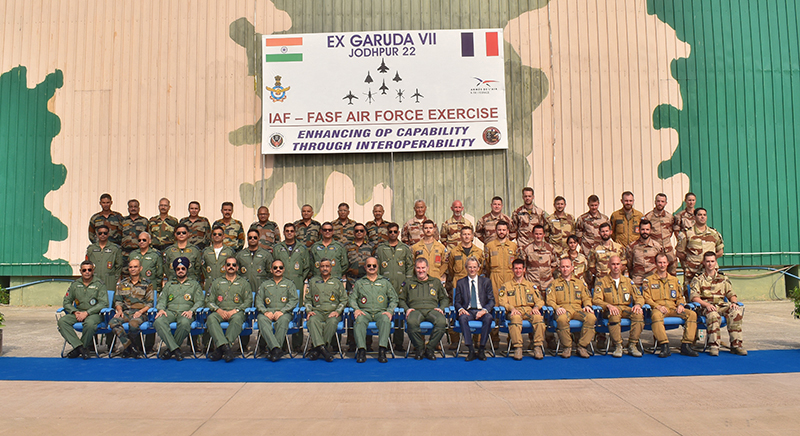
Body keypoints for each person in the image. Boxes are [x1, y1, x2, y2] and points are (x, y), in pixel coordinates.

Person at [642, 252, 699, 358]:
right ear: (655, 263)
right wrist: (657, 306)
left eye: (664, 262)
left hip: (673, 308)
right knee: (655, 315)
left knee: (692, 314)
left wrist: (681, 305)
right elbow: (646, 298)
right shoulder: (648, 280)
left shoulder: (674, 280)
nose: (662, 265)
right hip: (659, 308)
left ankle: (686, 345)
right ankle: (664, 345)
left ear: (668, 263)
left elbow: (680, 296)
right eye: (660, 263)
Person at [690, 252, 746, 356]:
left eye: (712, 261)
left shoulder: (723, 278)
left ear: (716, 262)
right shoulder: (698, 279)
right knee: (713, 315)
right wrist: (706, 305)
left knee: (736, 312)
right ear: (704, 262)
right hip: (706, 307)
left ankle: (736, 345)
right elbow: (694, 297)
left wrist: (734, 303)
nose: (710, 264)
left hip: (721, 305)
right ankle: (714, 345)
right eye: (708, 261)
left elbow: (731, 294)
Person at [592, 255, 644, 358]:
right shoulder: (602, 282)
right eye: (613, 264)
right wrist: (608, 305)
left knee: (638, 315)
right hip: (609, 310)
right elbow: (596, 300)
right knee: (614, 315)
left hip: (625, 308)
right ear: (608, 265)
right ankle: (618, 345)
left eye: (617, 264)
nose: (616, 267)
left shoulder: (628, 281)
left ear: (621, 266)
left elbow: (639, 297)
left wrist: (638, 305)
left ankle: (632, 344)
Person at [374, 222, 414, 350]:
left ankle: (398, 343)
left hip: (400, 286)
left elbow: (409, 267)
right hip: (385, 287)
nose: (392, 234)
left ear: (398, 233)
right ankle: (385, 342)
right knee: (385, 314)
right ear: (387, 233)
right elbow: (377, 267)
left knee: (399, 316)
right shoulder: (381, 248)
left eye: (395, 231)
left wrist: (407, 282)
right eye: (390, 231)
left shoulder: (405, 248)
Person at [154, 256, 203, 361]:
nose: (180, 271)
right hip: (170, 312)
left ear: (187, 269)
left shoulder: (194, 284)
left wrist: (191, 311)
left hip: (186, 312)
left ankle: (170, 350)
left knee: (184, 323)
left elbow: (200, 301)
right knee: (158, 321)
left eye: (183, 268)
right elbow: (162, 300)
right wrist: (161, 309)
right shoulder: (169, 284)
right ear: (175, 270)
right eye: (178, 269)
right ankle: (175, 349)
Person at [399, 258, 450, 360]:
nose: (421, 270)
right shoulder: (408, 282)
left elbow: (444, 298)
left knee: (441, 322)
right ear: (415, 268)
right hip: (415, 310)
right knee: (411, 322)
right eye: (418, 268)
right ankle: (420, 348)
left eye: (423, 268)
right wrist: (406, 309)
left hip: (432, 310)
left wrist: (442, 308)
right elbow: (401, 299)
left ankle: (430, 348)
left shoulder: (435, 282)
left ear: (427, 268)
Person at [272, 223, 312, 351]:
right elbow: (274, 264)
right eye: (287, 231)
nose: (289, 233)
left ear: (295, 233)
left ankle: (297, 343)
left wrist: (299, 278)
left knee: (297, 312)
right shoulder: (278, 248)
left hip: (297, 283)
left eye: (291, 231)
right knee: (281, 310)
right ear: (284, 233)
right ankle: (282, 343)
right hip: (280, 283)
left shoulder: (302, 248)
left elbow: (307, 267)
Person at [349, 257, 398, 363]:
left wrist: (390, 311)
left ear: (378, 267)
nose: (371, 267)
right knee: (359, 320)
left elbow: (394, 299)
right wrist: (356, 309)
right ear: (365, 267)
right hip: (365, 312)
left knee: (385, 320)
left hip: (380, 312)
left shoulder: (385, 282)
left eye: (374, 265)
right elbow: (352, 299)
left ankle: (382, 350)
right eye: (369, 265)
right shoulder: (359, 283)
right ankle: (361, 350)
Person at [545, 257, 596, 358]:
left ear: (572, 268)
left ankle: (582, 346)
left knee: (591, 317)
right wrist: (557, 307)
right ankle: (567, 347)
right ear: (559, 268)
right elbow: (549, 300)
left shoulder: (579, 283)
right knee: (562, 319)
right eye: (563, 267)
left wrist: (587, 306)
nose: (565, 269)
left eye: (567, 267)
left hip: (577, 310)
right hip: (563, 309)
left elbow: (586, 297)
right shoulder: (554, 284)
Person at [57, 260, 108, 359]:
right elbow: (66, 302)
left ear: (93, 271)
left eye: (89, 270)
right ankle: (80, 348)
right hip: (78, 313)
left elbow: (103, 303)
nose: (87, 272)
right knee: (62, 322)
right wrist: (75, 311)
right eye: (84, 270)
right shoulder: (75, 284)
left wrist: (87, 313)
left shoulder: (99, 284)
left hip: (94, 314)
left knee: (89, 324)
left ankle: (79, 349)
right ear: (80, 271)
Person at [497, 259, 546, 360]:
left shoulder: (531, 286)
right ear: (512, 269)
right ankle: (518, 347)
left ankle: (537, 346)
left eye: (520, 268)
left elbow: (540, 300)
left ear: (524, 270)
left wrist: (536, 307)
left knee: (538, 318)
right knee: (515, 318)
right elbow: (502, 301)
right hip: (515, 311)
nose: (518, 271)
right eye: (516, 268)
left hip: (529, 310)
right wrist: (511, 308)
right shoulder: (506, 286)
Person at [205, 257, 250, 362]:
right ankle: (226, 348)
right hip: (220, 311)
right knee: (211, 318)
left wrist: (236, 310)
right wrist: (218, 310)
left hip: (236, 312)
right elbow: (208, 300)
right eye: (228, 265)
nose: (231, 267)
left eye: (233, 265)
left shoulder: (244, 283)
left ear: (237, 268)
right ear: (224, 267)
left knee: (237, 319)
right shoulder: (216, 282)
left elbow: (248, 301)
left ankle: (221, 349)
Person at [108, 259, 154, 358]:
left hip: (140, 313)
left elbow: (150, 303)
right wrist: (119, 311)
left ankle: (130, 348)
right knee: (113, 322)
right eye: (130, 267)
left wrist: (140, 312)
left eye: (135, 267)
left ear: (140, 268)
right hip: (125, 312)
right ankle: (130, 347)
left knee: (133, 324)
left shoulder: (147, 284)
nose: (133, 269)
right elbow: (118, 301)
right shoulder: (122, 284)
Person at [256, 259, 299, 361]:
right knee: (261, 319)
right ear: (271, 270)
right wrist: (265, 311)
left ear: (283, 269)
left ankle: (273, 349)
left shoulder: (289, 284)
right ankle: (276, 349)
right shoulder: (265, 284)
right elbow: (258, 301)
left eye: (280, 267)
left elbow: (294, 300)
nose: (278, 269)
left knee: (283, 320)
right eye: (275, 268)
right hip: (268, 311)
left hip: (284, 312)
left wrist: (282, 311)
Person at [305, 259, 347, 362]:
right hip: (318, 311)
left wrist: (337, 311)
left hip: (332, 312)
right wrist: (309, 310)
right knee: (312, 320)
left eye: (327, 266)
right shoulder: (313, 281)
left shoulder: (337, 282)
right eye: (322, 266)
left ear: (331, 268)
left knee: (332, 322)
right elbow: (308, 299)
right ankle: (323, 349)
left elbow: (344, 299)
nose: (325, 268)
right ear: (319, 268)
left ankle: (318, 349)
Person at [454, 257, 494, 361]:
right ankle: (470, 349)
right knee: (462, 318)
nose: (472, 269)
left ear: (478, 268)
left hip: (482, 310)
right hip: (468, 311)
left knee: (489, 318)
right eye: (470, 267)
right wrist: (461, 309)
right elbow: (457, 301)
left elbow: (491, 301)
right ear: (466, 268)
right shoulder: (461, 283)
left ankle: (481, 349)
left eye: (474, 267)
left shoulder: (486, 282)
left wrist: (484, 310)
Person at [677, 208, 724, 285]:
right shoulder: (687, 234)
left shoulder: (714, 233)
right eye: (700, 215)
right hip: (692, 272)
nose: (702, 217)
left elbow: (720, 252)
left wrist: (709, 260)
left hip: (710, 272)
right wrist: (691, 261)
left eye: (704, 215)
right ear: (694, 217)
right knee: (691, 291)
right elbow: (679, 253)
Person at [643, 193, 679, 274]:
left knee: (672, 267)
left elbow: (671, 231)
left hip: (667, 248)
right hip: (654, 248)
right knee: (653, 270)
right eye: (658, 201)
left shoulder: (669, 217)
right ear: (655, 202)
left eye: (662, 201)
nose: (660, 203)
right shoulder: (648, 217)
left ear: (666, 203)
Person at [624, 219, 665, 286]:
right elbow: (629, 265)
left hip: (653, 281)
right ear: (639, 230)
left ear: (650, 230)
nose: (645, 232)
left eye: (647, 229)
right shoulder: (632, 247)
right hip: (637, 281)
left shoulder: (657, 247)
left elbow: (660, 263)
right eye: (643, 229)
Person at [484, 221, 517, 298]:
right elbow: (487, 264)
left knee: (510, 300)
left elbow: (516, 263)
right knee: (496, 300)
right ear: (496, 231)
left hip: (510, 277)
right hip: (495, 278)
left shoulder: (513, 246)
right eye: (499, 230)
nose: (501, 232)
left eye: (504, 230)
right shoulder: (490, 246)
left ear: (507, 231)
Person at [518, 225, 557, 291]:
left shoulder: (550, 248)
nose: (538, 236)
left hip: (547, 285)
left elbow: (554, 264)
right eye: (536, 234)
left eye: (540, 234)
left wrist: (547, 274)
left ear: (544, 234)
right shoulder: (526, 249)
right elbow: (521, 266)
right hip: (532, 285)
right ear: (532, 234)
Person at [85, 225, 123, 291]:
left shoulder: (115, 249)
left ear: (108, 234)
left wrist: (115, 280)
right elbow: (86, 265)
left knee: (109, 297)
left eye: (105, 233)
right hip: (94, 280)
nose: (102, 235)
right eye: (100, 233)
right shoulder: (91, 249)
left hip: (109, 281)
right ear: (97, 234)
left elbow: (119, 266)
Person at [237, 228, 274, 294]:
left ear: (259, 238)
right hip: (244, 290)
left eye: (255, 237)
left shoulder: (266, 255)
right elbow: (237, 272)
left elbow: (270, 273)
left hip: (261, 289)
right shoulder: (240, 255)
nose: (252, 239)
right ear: (247, 239)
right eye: (250, 237)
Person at [345, 223, 374, 291]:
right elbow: (344, 263)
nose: (359, 232)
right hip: (351, 280)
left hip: (367, 278)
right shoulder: (347, 246)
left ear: (365, 233)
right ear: (353, 233)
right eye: (357, 231)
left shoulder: (370, 246)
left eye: (361, 231)